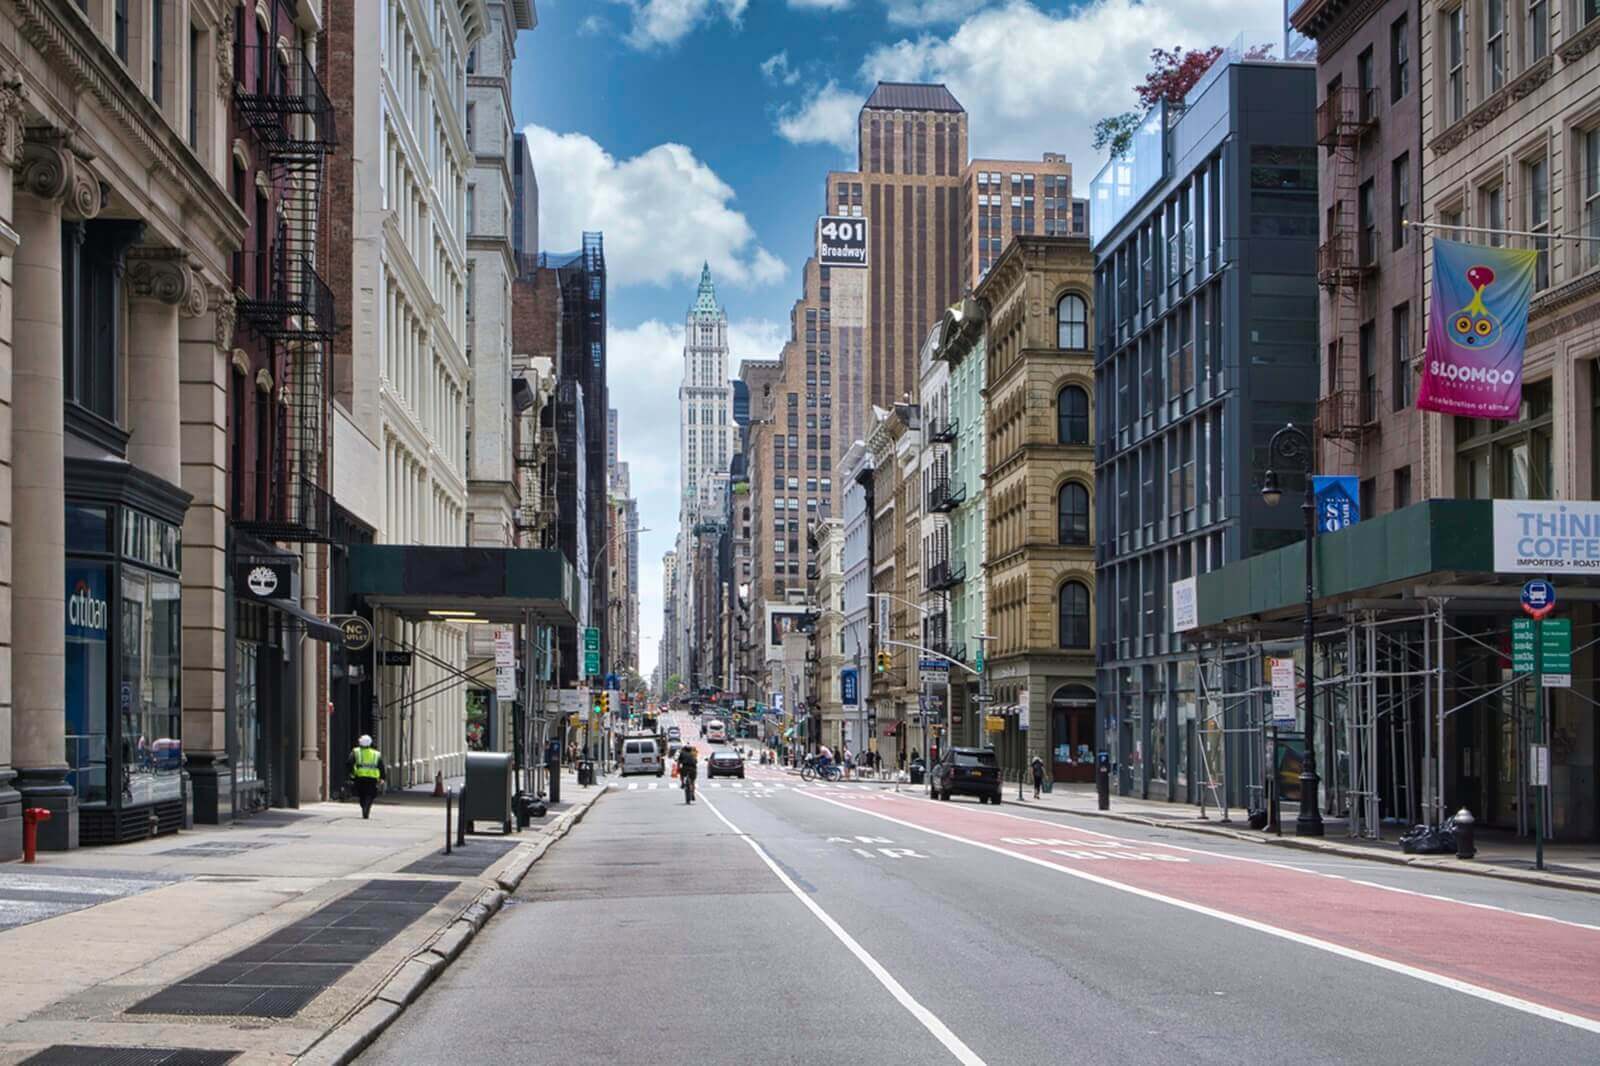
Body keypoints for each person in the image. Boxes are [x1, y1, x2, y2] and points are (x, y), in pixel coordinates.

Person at [348, 735, 385, 819]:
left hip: (360, 777)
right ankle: (367, 807)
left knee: (361, 794)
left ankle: (364, 806)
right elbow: (381, 766)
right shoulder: (376, 754)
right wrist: (382, 777)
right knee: (370, 794)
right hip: (372, 778)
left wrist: (352, 773)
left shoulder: (356, 751)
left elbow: (350, 763)